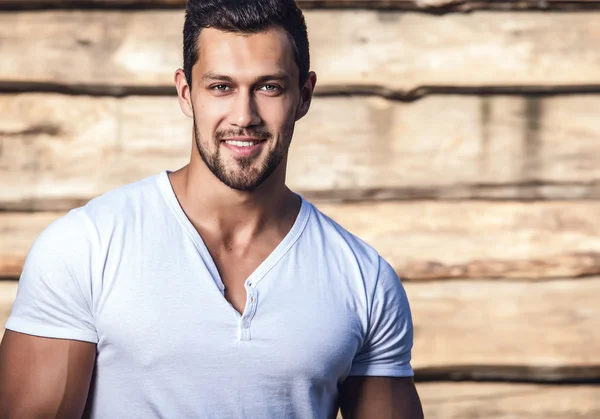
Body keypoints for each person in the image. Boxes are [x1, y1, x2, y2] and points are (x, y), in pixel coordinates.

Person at [0, 1, 424, 418]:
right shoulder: (85, 247)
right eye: (221, 87)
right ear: (187, 93)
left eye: (268, 87)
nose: (244, 116)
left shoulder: (365, 279)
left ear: (304, 95)